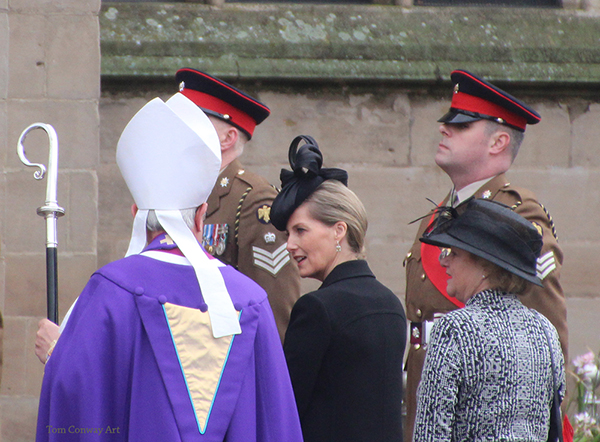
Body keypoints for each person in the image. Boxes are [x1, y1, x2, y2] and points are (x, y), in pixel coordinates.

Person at [36, 92, 303, 441]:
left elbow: (80, 401)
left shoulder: (110, 291)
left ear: (136, 214)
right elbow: (276, 419)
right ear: (202, 215)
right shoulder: (250, 300)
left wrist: (59, 356)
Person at [403, 69, 568, 441]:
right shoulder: (439, 215)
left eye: (461, 126)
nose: (444, 129)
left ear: (499, 142)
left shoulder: (518, 214)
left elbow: (546, 334)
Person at [270, 135, 407, 442]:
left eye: (301, 230)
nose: (290, 245)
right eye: (288, 233)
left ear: (339, 230)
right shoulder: (391, 304)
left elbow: (284, 410)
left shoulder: (318, 308)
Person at [413, 198, 565, 441]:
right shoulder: (544, 329)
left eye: (455, 252)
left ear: (483, 265)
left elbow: (431, 434)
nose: (444, 260)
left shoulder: (454, 329)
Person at [177, 68, 301, 341]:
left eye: (191, 122)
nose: (178, 131)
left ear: (227, 139)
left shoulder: (251, 200)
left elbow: (273, 306)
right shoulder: (182, 194)